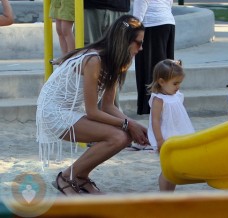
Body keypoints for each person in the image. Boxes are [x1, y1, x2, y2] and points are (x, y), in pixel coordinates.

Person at [36, 15, 148, 196]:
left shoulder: (116, 61)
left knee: (125, 136)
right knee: (118, 137)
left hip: (71, 110)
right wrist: (129, 124)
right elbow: (93, 111)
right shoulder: (94, 60)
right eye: (138, 43)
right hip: (54, 112)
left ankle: (81, 177)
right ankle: (66, 177)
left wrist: (135, 125)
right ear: (124, 41)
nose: (141, 48)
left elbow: (108, 106)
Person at [147, 59, 195, 191]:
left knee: (173, 169)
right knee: (167, 169)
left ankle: (169, 193)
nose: (178, 86)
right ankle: (164, 195)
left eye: (179, 83)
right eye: (175, 83)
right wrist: (159, 140)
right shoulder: (159, 99)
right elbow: (155, 120)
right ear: (161, 82)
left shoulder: (177, 95)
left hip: (178, 136)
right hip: (166, 138)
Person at [83, 0, 130, 109]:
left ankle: (111, 111)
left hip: (117, 7)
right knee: (90, 60)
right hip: (92, 7)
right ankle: (102, 112)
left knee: (115, 61)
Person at [133, 0, 175, 115]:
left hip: (151, 24)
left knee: (150, 68)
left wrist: (133, 30)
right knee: (165, 67)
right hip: (167, 21)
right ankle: (166, 103)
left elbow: (141, 5)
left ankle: (151, 106)